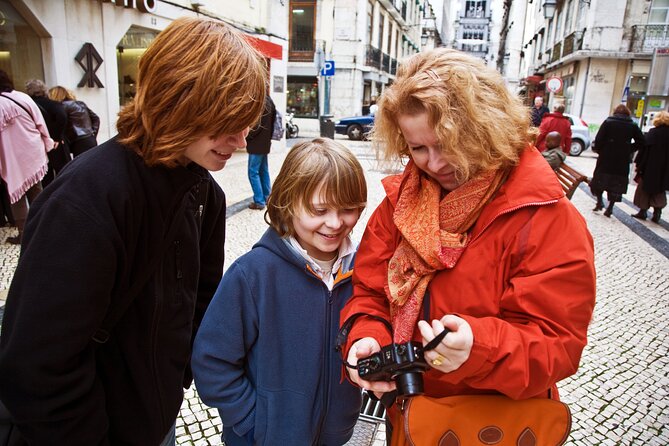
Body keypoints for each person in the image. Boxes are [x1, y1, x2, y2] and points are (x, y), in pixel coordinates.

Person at [0, 17, 268, 445]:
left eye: (246, 122)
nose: (239, 139)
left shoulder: (205, 194)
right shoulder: (86, 198)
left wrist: (180, 376)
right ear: (180, 102)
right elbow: (37, 366)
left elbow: (200, 303)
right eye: (225, 121)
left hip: (155, 420)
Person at [338, 48, 596, 438]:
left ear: (483, 129)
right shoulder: (400, 205)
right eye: (417, 148)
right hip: (411, 419)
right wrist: (367, 338)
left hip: (493, 425)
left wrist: (478, 348)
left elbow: (557, 344)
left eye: (446, 144)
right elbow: (369, 292)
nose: (434, 163)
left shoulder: (546, 218)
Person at [192, 138, 367, 446]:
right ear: (288, 202)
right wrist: (251, 420)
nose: (335, 222)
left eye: (348, 209)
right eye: (320, 209)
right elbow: (212, 360)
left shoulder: (362, 271)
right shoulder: (253, 275)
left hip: (334, 436)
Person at [0, 70, 54, 244]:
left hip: (11, 157)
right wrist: (47, 142)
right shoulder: (23, 98)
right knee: (36, 189)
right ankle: (43, 229)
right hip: (32, 151)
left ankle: (25, 234)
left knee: (16, 196)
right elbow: (40, 123)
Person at [590, 104, 645, 217]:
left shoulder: (608, 122)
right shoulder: (632, 125)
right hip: (622, 159)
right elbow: (642, 141)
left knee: (600, 179)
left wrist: (601, 150)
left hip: (606, 157)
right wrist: (629, 148)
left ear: (615, 112)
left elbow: (599, 139)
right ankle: (610, 208)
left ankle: (600, 202)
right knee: (616, 183)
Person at [25, 79, 70, 187]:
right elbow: (62, 117)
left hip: (38, 144)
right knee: (63, 172)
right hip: (56, 144)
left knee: (45, 176)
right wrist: (55, 138)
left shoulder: (28, 106)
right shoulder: (52, 104)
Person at [631, 110, 669, 223]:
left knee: (644, 189)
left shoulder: (653, 133)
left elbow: (644, 150)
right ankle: (657, 212)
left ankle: (643, 211)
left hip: (650, 167)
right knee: (659, 189)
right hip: (665, 168)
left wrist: (639, 165)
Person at [48, 85, 100, 157]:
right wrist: (93, 133)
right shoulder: (80, 103)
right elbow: (96, 118)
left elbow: (60, 123)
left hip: (77, 141)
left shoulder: (61, 107)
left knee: (81, 166)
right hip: (89, 138)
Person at [246, 95, 276, 210]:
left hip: (256, 144)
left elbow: (256, 125)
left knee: (253, 172)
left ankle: (259, 201)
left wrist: (247, 137)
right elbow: (273, 120)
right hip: (265, 143)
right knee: (263, 170)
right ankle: (267, 197)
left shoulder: (258, 101)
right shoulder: (269, 100)